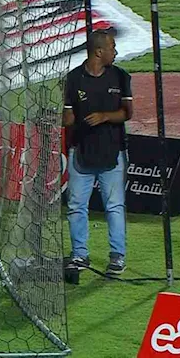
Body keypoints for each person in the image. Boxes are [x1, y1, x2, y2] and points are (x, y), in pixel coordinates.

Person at [63, 29, 133, 275]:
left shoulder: (121, 77)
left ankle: (117, 256)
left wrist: (104, 116)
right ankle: (79, 254)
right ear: (99, 51)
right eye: (112, 47)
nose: (116, 51)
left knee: (114, 205)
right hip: (81, 151)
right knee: (76, 206)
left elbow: (127, 113)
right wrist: (61, 119)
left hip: (112, 151)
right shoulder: (73, 78)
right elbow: (69, 116)